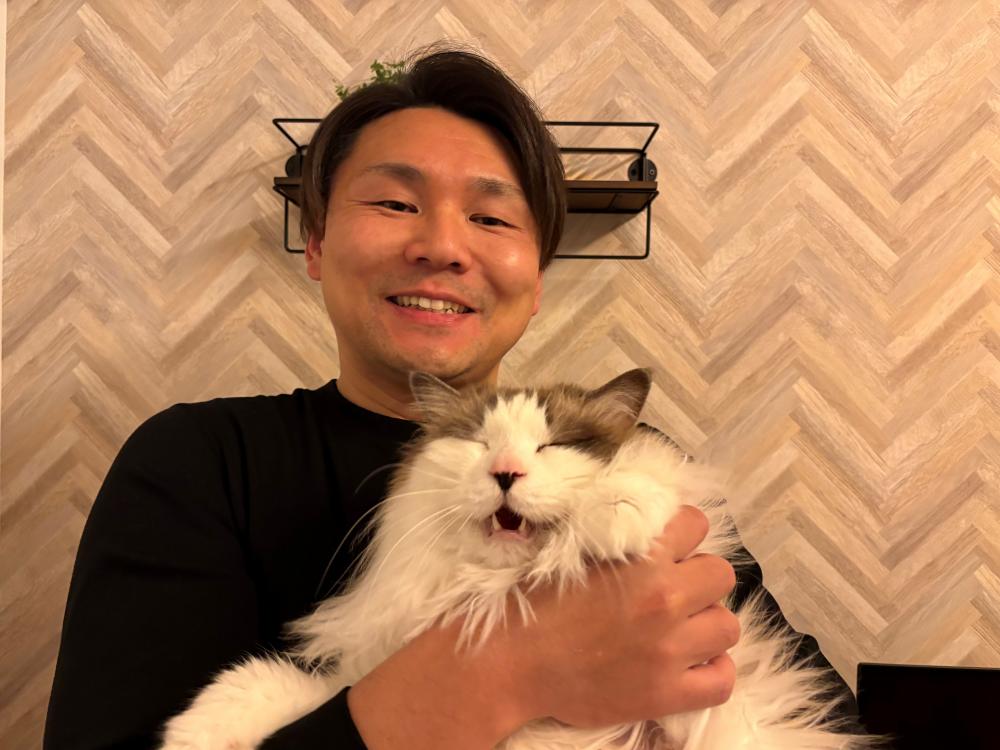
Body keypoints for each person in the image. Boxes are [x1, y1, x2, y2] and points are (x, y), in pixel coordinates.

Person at [43, 43, 860, 749]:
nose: (442, 246)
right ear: (317, 244)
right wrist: (506, 670)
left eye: (493, 220)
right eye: (395, 203)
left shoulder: (641, 467)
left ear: (537, 281)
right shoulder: (200, 463)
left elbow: (803, 708)